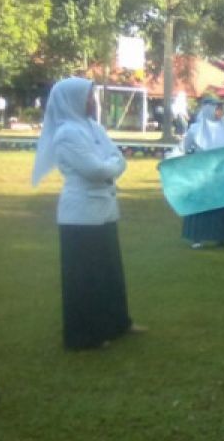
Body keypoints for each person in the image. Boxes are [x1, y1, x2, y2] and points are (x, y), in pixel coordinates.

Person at [31, 77, 143, 351]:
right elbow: (96, 170)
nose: (93, 101)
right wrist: (112, 165)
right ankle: (84, 335)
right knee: (84, 277)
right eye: (88, 96)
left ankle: (117, 323)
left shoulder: (92, 127)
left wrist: (112, 164)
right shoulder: (67, 133)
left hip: (103, 209)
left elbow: (117, 159)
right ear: (73, 100)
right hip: (80, 214)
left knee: (109, 272)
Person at [181, 98, 224, 248]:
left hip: (220, 172)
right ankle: (197, 237)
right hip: (202, 172)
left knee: (221, 205)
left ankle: (221, 236)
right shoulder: (195, 129)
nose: (220, 112)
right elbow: (186, 148)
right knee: (201, 204)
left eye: (221, 109)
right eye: (217, 109)